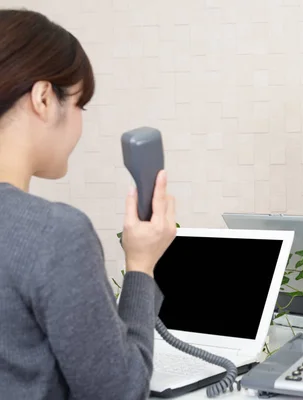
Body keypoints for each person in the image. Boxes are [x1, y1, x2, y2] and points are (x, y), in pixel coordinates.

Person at [0, 9, 177, 399]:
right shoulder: (56, 234)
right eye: (81, 104)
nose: (80, 122)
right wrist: (141, 265)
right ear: (44, 98)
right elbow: (120, 392)